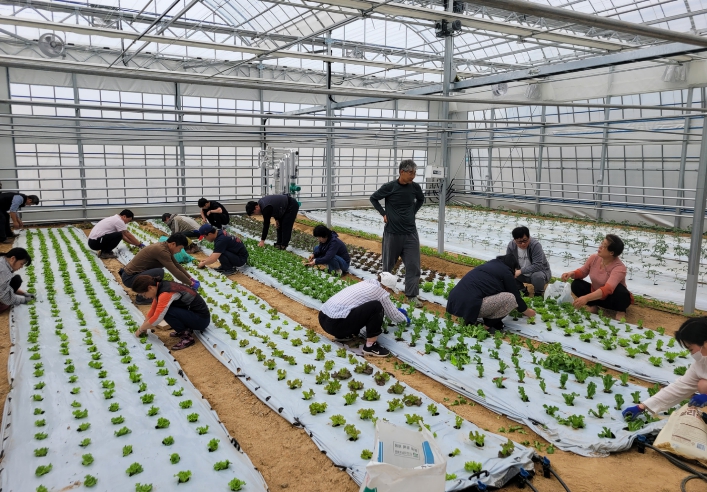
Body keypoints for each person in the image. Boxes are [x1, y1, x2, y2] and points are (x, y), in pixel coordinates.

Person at [623, 317, 707, 420]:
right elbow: (680, 387)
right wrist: (642, 407)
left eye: (691, 349)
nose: (692, 354)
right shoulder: (701, 363)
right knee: (703, 384)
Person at [370, 159, 425, 308]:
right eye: (410, 172)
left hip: (410, 233)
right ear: (402, 172)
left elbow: (421, 199)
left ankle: (412, 295)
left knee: (413, 265)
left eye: (415, 173)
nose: (413, 176)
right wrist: (383, 213)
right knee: (388, 266)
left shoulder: (415, 187)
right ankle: (381, 293)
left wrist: (412, 212)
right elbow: (373, 198)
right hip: (392, 233)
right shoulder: (390, 187)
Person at [318, 272, 409, 357]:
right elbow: (393, 315)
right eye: (391, 291)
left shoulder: (368, 283)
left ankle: (343, 335)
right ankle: (370, 346)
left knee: (365, 306)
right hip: (335, 326)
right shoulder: (380, 292)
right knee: (376, 306)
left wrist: (395, 309)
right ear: (387, 288)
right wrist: (405, 319)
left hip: (323, 318)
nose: (390, 293)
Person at [446, 254, 536, 332]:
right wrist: (528, 312)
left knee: (492, 292)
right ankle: (486, 326)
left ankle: (470, 317)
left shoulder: (490, 264)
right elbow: (516, 297)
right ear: (513, 267)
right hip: (470, 306)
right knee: (510, 298)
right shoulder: (506, 272)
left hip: (454, 302)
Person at [560, 234, 633, 320]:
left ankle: (621, 310)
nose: (600, 247)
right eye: (602, 243)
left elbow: (608, 289)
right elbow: (582, 272)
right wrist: (571, 274)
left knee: (620, 291)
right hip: (597, 295)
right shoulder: (594, 258)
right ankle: (593, 305)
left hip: (613, 299)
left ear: (611, 253)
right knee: (576, 284)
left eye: (604, 246)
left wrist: (586, 298)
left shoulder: (619, 268)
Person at [131, 275, 210, 350]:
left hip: (201, 320)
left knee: (167, 312)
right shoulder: (159, 286)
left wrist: (141, 329)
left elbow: (157, 318)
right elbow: (153, 309)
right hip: (193, 314)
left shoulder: (165, 293)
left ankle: (187, 338)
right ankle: (186, 330)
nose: (145, 297)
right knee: (165, 310)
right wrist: (144, 326)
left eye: (144, 294)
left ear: (150, 288)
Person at [119, 233, 200, 304]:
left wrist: (190, 278)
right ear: (173, 244)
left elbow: (177, 265)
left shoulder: (165, 247)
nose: (179, 251)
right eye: (180, 248)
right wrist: (190, 284)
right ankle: (142, 298)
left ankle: (143, 292)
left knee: (158, 273)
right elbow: (175, 271)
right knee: (159, 272)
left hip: (132, 276)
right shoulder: (162, 251)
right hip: (129, 278)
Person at [506, 226, 552, 297]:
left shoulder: (535, 245)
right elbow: (508, 262)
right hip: (522, 275)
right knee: (509, 273)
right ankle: (522, 290)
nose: (523, 244)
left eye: (525, 240)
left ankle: (538, 294)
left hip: (539, 273)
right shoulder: (511, 246)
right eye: (519, 242)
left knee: (537, 276)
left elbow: (538, 266)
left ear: (529, 237)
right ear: (514, 240)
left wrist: (520, 271)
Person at [0, 247, 34, 312]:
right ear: (13, 259)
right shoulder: (3, 271)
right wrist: (24, 300)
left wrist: (24, 293)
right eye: (21, 264)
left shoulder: (2, 259)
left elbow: (4, 285)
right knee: (6, 303)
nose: (21, 267)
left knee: (16, 279)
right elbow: (4, 296)